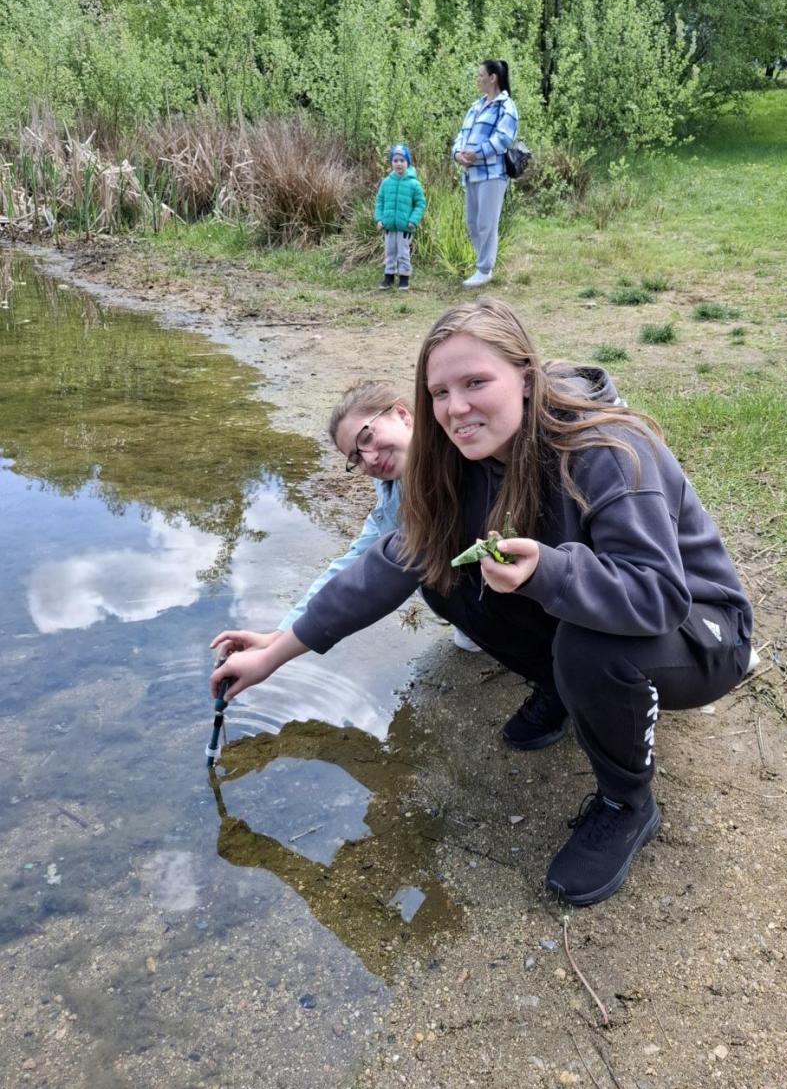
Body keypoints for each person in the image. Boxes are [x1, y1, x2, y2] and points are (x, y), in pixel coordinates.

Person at [211, 298, 757, 908]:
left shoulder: (607, 447)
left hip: (703, 630)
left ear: (525, 376)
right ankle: (563, 689)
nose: (456, 408)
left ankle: (626, 803)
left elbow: (657, 594)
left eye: (475, 383)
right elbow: (385, 567)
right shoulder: (460, 464)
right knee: (442, 575)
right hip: (617, 614)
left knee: (588, 644)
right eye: (440, 393)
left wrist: (550, 570)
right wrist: (276, 651)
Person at [210, 380, 480, 656]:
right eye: (356, 458)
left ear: (402, 414)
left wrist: (273, 657)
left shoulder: (465, 452)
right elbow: (353, 563)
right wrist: (281, 635)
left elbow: (371, 586)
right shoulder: (391, 492)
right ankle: (473, 625)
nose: (371, 458)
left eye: (367, 437)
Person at [452, 60, 518, 289]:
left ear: (493, 78)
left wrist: (476, 153)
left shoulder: (506, 106)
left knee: (486, 223)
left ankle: (484, 269)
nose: (477, 79)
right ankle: (482, 265)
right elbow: (461, 134)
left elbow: (502, 139)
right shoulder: (476, 106)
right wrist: (457, 154)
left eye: (481, 75)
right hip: (471, 174)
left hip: (492, 174)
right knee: (472, 222)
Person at [375, 143, 425, 291]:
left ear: (407, 163)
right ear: (391, 163)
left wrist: (413, 220)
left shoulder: (414, 184)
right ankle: (388, 277)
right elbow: (379, 201)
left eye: (402, 160)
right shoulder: (386, 182)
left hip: (405, 226)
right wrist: (379, 219)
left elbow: (420, 204)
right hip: (389, 225)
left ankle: (404, 278)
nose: (399, 164)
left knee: (403, 253)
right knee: (389, 252)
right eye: (395, 160)